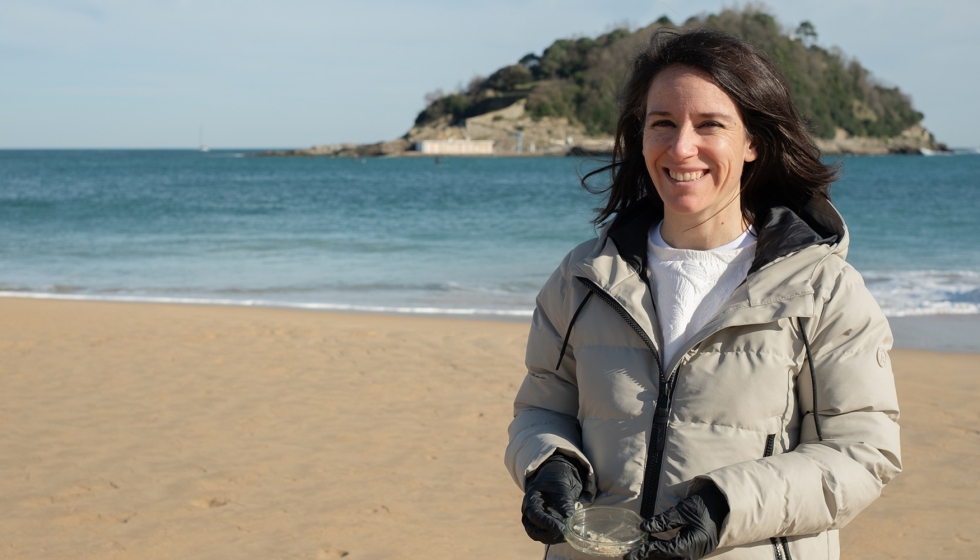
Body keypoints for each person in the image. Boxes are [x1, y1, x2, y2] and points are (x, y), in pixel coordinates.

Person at [504, 29, 901, 560]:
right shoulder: (583, 278)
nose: (681, 147)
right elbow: (541, 408)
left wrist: (723, 507)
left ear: (753, 141)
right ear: (640, 137)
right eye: (662, 123)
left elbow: (862, 453)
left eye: (710, 124)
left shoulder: (822, 289)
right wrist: (549, 463)